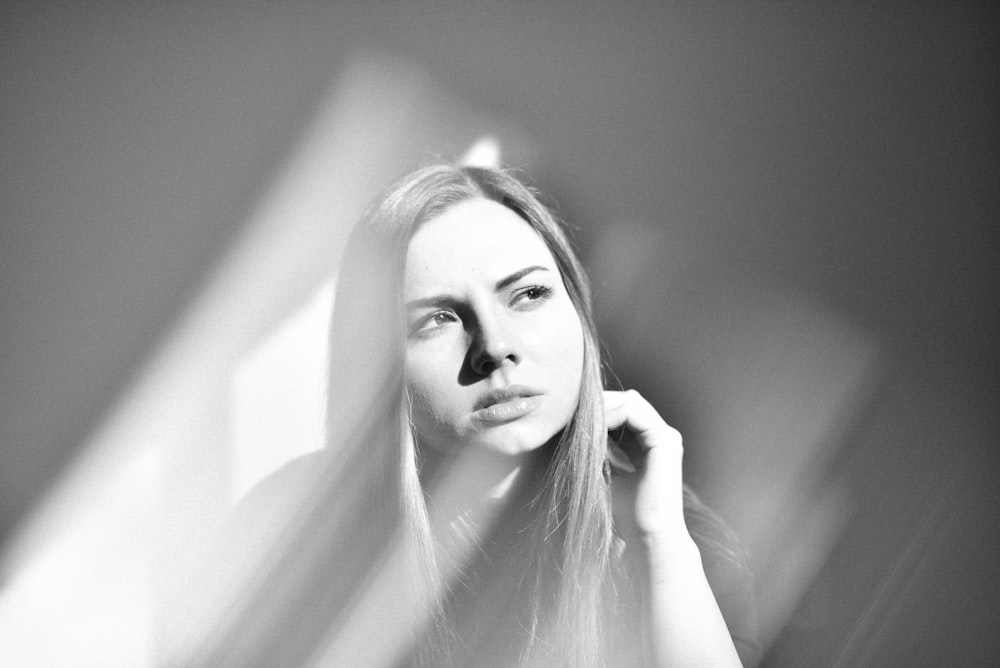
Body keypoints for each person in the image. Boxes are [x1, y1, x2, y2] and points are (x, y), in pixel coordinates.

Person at [213, 164, 758, 667]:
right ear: (378, 364)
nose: (495, 346)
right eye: (437, 320)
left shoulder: (678, 545)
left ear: (580, 314)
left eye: (529, 294)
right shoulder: (297, 540)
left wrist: (664, 548)